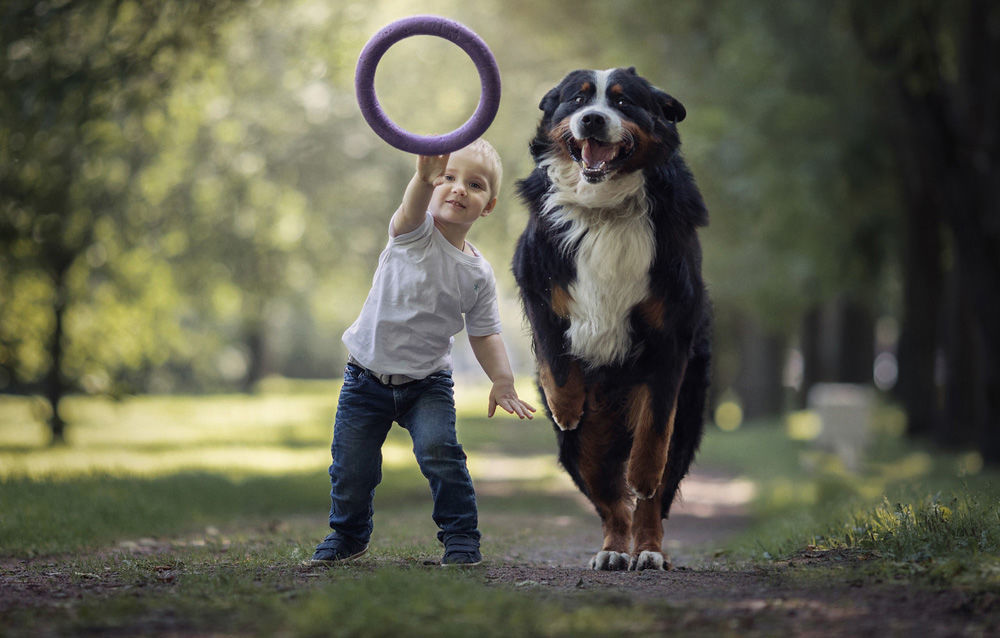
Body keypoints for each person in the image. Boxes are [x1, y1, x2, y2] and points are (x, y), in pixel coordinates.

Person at [311, 139, 536, 567]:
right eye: (448, 179)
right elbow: (410, 208)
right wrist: (421, 178)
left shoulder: (479, 274)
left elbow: (485, 333)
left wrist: (503, 381)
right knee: (351, 468)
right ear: (432, 186)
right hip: (365, 378)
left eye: (474, 184)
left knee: (441, 455)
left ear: (488, 206)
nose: (457, 189)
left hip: (428, 385)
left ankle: (461, 538)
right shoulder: (413, 234)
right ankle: (348, 535)